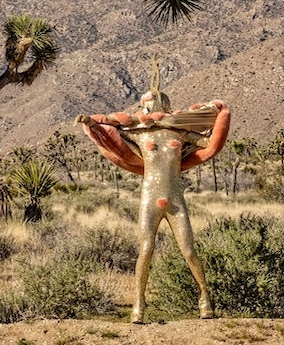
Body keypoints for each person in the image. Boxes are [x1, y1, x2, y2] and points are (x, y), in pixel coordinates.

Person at [76, 58, 231, 322]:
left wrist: (204, 112)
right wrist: (92, 123)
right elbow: (112, 132)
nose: (151, 106)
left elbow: (208, 139)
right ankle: (139, 305)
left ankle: (205, 299)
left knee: (189, 250)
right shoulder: (137, 134)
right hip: (149, 198)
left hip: (174, 198)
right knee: (145, 249)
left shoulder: (180, 134)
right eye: (146, 103)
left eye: (154, 103)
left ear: (166, 106)